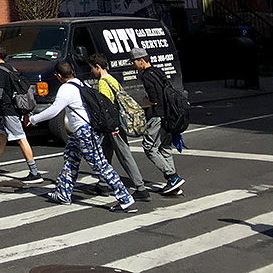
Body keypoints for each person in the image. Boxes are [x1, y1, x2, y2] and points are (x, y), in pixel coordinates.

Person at [27, 61, 136, 212]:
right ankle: (63, 193)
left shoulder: (65, 89)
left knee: (100, 165)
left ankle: (125, 198)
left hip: (84, 131)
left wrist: (33, 119)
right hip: (82, 131)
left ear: (58, 76)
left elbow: (54, 110)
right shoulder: (81, 83)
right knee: (71, 158)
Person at [0, 44, 44, 184]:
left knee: (21, 139)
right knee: (2, 136)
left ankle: (34, 173)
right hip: (13, 109)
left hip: (9, 110)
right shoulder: (10, 68)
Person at [89, 53, 149, 200]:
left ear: (98, 67)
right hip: (118, 122)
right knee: (105, 151)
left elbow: (105, 105)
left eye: (92, 68)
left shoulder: (103, 82)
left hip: (113, 124)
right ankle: (103, 183)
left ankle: (140, 188)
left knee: (124, 155)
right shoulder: (112, 79)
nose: (91, 71)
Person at [132, 47, 185, 195]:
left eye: (134, 62)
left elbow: (155, 100)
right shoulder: (158, 71)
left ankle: (172, 176)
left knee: (149, 147)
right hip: (169, 115)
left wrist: (145, 101)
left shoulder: (146, 76)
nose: (133, 65)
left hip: (158, 116)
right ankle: (174, 185)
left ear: (141, 61)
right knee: (165, 148)